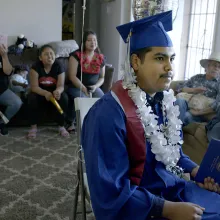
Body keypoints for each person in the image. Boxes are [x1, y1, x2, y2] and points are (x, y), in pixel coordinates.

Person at [82, 11, 220, 220]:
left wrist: (196, 172)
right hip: (141, 205)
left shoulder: (163, 102)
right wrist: (167, 209)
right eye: (159, 58)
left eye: (171, 58)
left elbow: (172, 154)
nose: (170, 67)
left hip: (174, 189)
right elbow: (110, 190)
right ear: (135, 62)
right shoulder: (107, 115)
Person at [66, 30, 106, 132]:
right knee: (83, 98)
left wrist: (96, 86)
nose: (92, 42)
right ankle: (72, 122)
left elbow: (102, 77)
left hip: (93, 87)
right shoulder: (75, 56)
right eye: (89, 40)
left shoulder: (100, 57)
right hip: (76, 86)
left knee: (103, 99)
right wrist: (83, 88)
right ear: (83, 42)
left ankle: (96, 123)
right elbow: (72, 76)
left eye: (94, 40)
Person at [27, 45, 69, 139]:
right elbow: (34, 87)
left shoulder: (59, 66)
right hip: (39, 91)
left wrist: (58, 91)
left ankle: (61, 126)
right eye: (46, 54)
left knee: (64, 98)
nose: (49, 56)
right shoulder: (35, 67)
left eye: (51, 54)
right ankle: (33, 127)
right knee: (31, 98)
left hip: (54, 92)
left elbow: (61, 85)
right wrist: (45, 93)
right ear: (40, 58)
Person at [176, 52, 220, 126]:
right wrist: (193, 90)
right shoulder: (197, 77)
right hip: (189, 104)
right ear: (207, 66)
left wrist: (198, 112)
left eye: (219, 67)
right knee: (179, 101)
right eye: (214, 65)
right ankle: (174, 130)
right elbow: (179, 87)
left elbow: (218, 104)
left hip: (203, 113)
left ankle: (175, 132)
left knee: (186, 116)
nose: (216, 68)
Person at [0, 44, 22, 135]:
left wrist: (4, 56)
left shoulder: (2, 55)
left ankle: (2, 123)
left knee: (17, 102)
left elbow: (8, 72)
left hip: (2, 91)